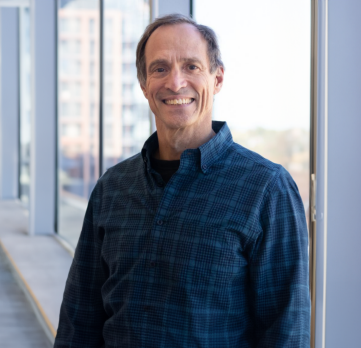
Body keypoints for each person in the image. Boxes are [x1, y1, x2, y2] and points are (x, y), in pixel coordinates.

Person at [54, 13, 310, 348]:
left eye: (191, 66)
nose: (176, 83)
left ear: (217, 79)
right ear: (144, 84)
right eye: (160, 68)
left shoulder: (267, 189)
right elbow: (79, 320)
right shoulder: (112, 187)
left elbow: (285, 333)